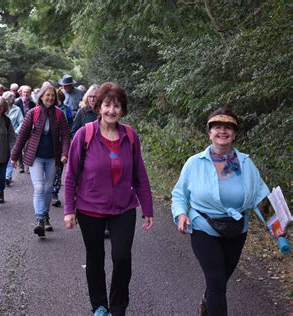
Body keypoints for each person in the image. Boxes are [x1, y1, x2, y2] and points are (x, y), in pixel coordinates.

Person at [64, 82, 154, 316]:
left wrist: (147, 207)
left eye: (116, 106)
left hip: (124, 207)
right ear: (98, 107)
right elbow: (71, 174)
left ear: (122, 110)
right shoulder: (85, 135)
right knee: (95, 257)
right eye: (107, 105)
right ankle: (100, 306)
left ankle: (118, 307)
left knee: (122, 257)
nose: (111, 110)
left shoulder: (130, 136)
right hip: (89, 207)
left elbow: (139, 174)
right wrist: (69, 209)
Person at [171, 108, 270, 316]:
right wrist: (181, 214)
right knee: (216, 281)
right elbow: (180, 194)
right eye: (217, 127)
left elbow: (262, 199)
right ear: (209, 132)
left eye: (228, 128)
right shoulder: (194, 163)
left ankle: (208, 302)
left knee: (221, 279)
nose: (222, 131)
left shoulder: (246, 164)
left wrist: (277, 226)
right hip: (203, 226)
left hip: (237, 229)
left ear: (234, 134)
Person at [11, 85, 70, 237]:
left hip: (53, 157)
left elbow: (65, 136)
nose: (50, 98)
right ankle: (39, 220)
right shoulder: (33, 113)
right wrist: (14, 156)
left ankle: (45, 216)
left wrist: (65, 153)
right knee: (39, 187)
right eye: (47, 95)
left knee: (48, 188)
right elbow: (22, 135)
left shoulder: (59, 114)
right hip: (35, 156)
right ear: (41, 96)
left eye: (52, 95)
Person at [50, 88, 73, 207]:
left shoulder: (67, 109)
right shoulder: (48, 110)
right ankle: (46, 191)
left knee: (58, 169)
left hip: (61, 142)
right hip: (50, 143)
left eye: (56, 98)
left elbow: (70, 125)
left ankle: (54, 193)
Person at [2, 91, 23, 186]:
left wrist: (15, 132)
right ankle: (3, 175)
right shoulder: (0, 109)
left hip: (12, 137)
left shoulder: (17, 110)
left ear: (11, 100)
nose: (5, 101)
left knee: (11, 156)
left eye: (7, 99)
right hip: (1, 136)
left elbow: (22, 122)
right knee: (3, 156)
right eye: (4, 99)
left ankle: (7, 176)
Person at [14, 85, 36, 173]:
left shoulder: (32, 104)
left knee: (28, 146)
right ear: (21, 93)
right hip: (19, 127)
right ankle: (21, 165)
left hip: (30, 127)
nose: (25, 94)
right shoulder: (16, 102)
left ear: (30, 93)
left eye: (27, 92)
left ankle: (27, 165)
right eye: (24, 92)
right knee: (19, 145)